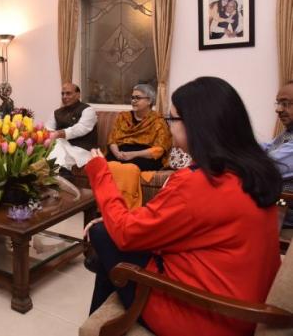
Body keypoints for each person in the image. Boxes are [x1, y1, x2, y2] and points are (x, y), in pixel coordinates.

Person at [84, 76, 281, 336]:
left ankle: (98, 318)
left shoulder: (201, 183)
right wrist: (116, 219)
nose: (169, 125)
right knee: (108, 239)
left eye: (172, 119)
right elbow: (188, 224)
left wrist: (100, 173)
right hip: (241, 301)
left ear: (196, 125)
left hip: (206, 315)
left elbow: (126, 234)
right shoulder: (251, 170)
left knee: (103, 235)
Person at [106, 83, 171, 171]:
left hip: (144, 156)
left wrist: (133, 154)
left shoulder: (158, 121)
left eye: (138, 98)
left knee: (128, 167)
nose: (134, 101)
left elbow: (159, 149)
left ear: (149, 101)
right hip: (120, 153)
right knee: (105, 163)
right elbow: (112, 140)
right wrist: (117, 153)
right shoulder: (123, 117)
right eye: (132, 97)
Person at [46, 82, 98, 174]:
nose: (64, 96)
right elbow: (48, 129)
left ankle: (59, 173)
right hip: (62, 148)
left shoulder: (88, 110)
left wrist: (59, 133)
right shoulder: (56, 112)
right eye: (62, 94)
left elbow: (81, 128)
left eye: (68, 93)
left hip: (81, 150)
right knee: (57, 146)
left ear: (78, 95)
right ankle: (62, 173)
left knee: (56, 146)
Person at [263, 80, 293, 226]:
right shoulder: (288, 133)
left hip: (285, 208)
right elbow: (266, 147)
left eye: (285, 103)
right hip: (277, 203)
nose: (278, 109)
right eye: (278, 103)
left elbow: (266, 167)